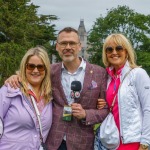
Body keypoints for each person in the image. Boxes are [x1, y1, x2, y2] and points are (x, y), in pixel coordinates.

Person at [4, 27, 109, 150]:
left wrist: (86, 114)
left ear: (79, 46)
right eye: (63, 43)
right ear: (57, 47)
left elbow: (106, 110)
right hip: (53, 142)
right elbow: (31, 75)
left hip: (82, 143)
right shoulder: (49, 71)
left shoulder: (99, 73)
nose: (68, 47)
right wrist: (16, 77)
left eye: (72, 43)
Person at [97, 33, 150, 150]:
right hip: (110, 142)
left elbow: (148, 109)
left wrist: (145, 142)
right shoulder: (107, 77)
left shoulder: (138, 74)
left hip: (132, 142)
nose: (114, 52)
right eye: (109, 49)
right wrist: (102, 104)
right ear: (106, 53)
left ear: (126, 51)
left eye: (119, 48)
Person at [0, 47, 53, 149]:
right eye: (31, 66)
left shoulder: (49, 96)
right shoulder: (10, 89)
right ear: (24, 67)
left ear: (46, 69)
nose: (35, 70)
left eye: (40, 67)